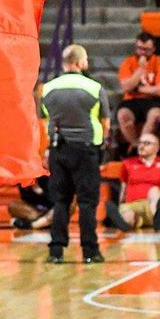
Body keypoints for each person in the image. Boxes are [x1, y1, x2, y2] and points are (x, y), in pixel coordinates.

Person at [41, 45, 108, 264]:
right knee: (87, 202)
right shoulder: (94, 88)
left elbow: (45, 120)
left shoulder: (48, 88)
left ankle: (56, 251)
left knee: (60, 201)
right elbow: (105, 123)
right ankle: (90, 251)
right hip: (85, 149)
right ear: (80, 62)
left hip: (58, 150)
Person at [106, 133, 160, 231]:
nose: (142, 146)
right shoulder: (127, 163)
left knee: (155, 190)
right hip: (133, 204)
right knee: (129, 214)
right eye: (140, 143)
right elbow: (124, 188)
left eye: (147, 143)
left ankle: (157, 219)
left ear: (157, 147)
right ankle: (124, 222)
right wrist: (121, 204)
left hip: (152, 205)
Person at [117, 32, 160, 153]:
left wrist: (137, 88)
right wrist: (141, 69)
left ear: (153, 49)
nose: (142, 52)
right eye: (140, 49)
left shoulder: (159, 63)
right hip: (131, 100)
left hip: (153, 101)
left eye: (146, 50)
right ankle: (135, 145)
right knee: (123, 115)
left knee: (155, 116)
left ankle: (141, 146)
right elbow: (126, 87)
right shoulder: (128, 63)